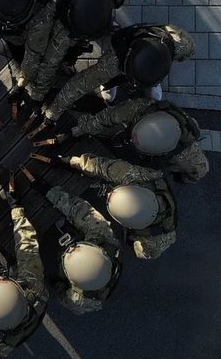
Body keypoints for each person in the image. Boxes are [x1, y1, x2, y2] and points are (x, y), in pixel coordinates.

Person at [33, 152, 177, 260]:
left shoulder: (154, 241)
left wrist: (51, 194)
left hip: (142, 232)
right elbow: (99, 166)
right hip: (139, 198)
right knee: (110, 171)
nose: (107, 195)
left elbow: (82, 213)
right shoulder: (133, 176)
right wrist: (69, 161)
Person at [43, 23, 195, 122]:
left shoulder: (154, 30)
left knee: (81, 84)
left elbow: (124, 34)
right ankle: (108, 92)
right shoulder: (164, 62)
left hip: (116, 57)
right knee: (152, 97)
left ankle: (53, 111)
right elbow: (150, 80)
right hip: (126, 68)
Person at [21, 168, 121, 314]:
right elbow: (80, 209)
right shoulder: (104, 237)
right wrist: (48, 191)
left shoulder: (77, 301)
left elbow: (61, 295)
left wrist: (58, 285)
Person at [29, 0, 127, 106]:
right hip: (69, 31)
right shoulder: (105, 8)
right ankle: (39, 94)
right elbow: (97, 33)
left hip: (62, 18)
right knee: (52, 61)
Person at [0, 172, 48, 357]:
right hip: (24, 301)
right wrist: (15, 206)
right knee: (20, 261)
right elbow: (26, 243)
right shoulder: (35, 288)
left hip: (17, 308)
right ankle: (10, 267)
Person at [69, 98, 209, 183]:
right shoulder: (145, 108)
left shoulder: (158, 167)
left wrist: (78, 162)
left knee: (122, 173)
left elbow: (111, 170)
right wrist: (82, 129)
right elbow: (110, 116)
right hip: (142, 129)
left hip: (155, 156)